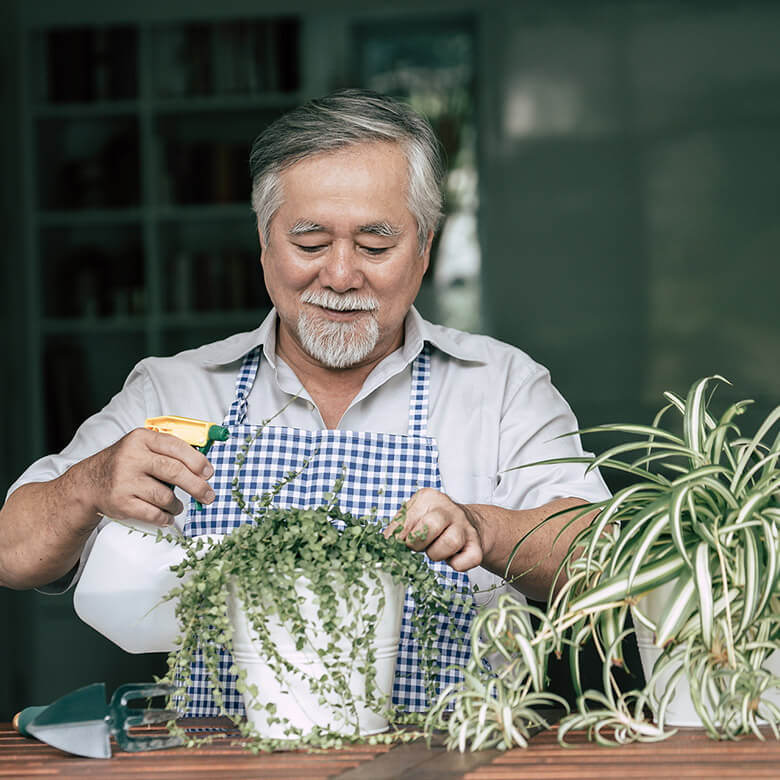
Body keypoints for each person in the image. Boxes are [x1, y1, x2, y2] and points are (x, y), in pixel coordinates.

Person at [0, 88, 608, 715]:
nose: (340, 276)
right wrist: (90, 482)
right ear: (264, 245)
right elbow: (11, 553)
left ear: (425, 248)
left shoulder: (500, 385)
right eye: (310, 243)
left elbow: (603, 556)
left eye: (375, 246)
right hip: (220, 755)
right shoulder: (175, 388)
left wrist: (484, 527)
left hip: (451, 753)